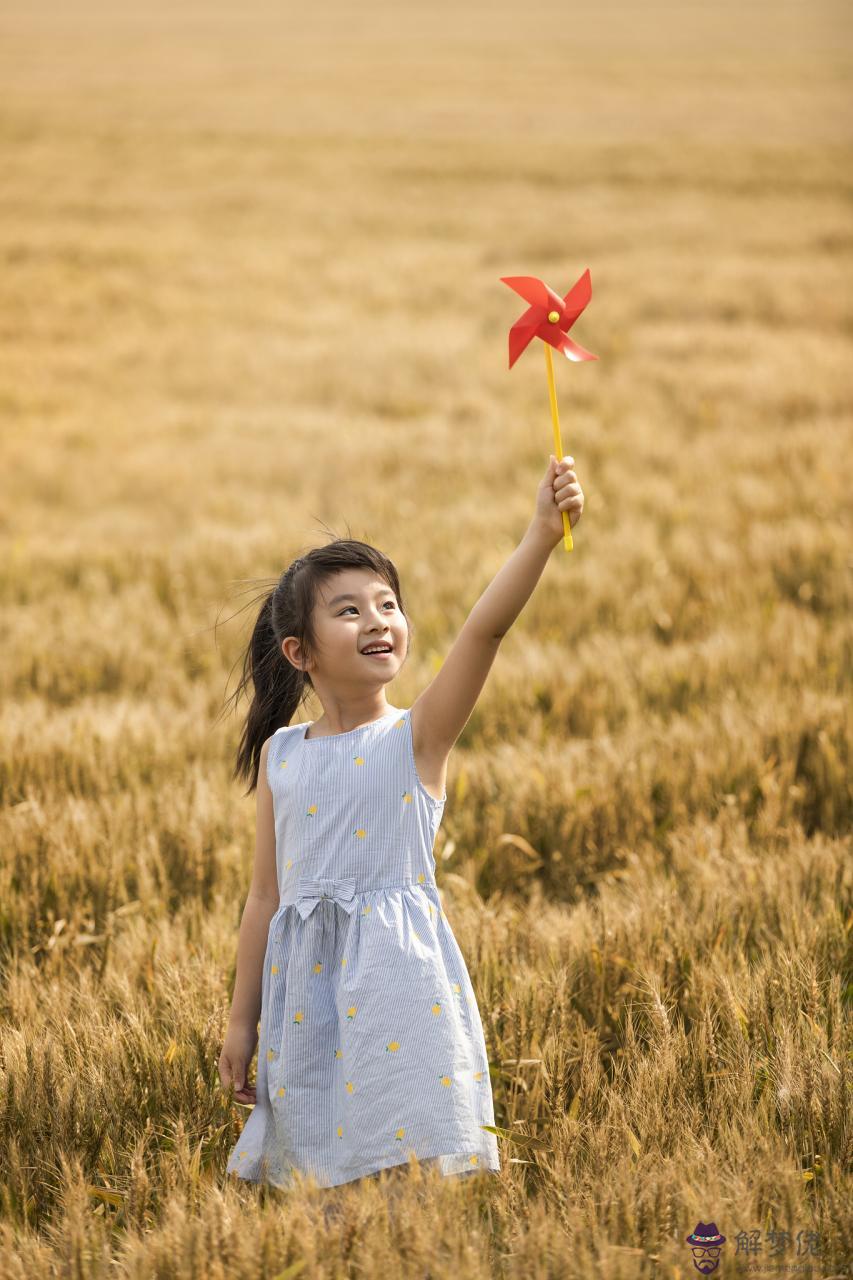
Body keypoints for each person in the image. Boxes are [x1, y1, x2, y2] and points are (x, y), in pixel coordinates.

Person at [219, 453, 584, 1189]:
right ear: (299, 652)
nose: (378, 620)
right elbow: (265, 897)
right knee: (317, 1181)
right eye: (349, 610)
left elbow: (483, 634)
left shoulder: (416, 739)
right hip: (304, 1004)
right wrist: (240, 1021)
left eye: (388, 603)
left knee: (401, 1177)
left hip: (399, 990)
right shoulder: (283, 756)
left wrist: (540, 535)